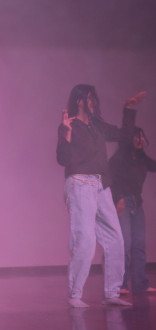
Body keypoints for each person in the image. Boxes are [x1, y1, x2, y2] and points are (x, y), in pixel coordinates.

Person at [57, 85, 145, 308]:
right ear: (79, 100)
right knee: (85, 241)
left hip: (101, 185)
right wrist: (65, 134)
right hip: (80, 184)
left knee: (116, 239)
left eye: (94, 98)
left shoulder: (97, 125)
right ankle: (75, 294)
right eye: (90, 98)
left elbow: (124, 135)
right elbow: (63, 160)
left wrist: (128, 109)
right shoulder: (70, 125)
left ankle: (112, 293)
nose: (94, 102)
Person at [109, 126, 156, 295]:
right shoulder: (119, 157)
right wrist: (119, 198)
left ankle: (140, 284)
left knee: (139, 245)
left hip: (137, 203)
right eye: (138, 136)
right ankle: (120, 284)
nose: (142, 139)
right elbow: (109, 178)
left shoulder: (142, 158)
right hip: (123, 202)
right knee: (125, 244)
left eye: (143, 137)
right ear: (130, 139)